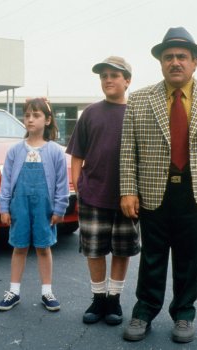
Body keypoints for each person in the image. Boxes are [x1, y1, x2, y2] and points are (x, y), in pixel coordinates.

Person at [120, 27, 197, 343]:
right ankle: (144, 311)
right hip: (153, 189)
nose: (175, 62)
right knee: (152, 256)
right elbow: (128, 149)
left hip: (195, 190)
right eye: (169, 57)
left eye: (182, 57)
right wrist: (128, 189)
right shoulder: (140, 99)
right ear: (160, 62)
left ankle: (184, 314)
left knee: (190, 257)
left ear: (194, 62)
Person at [66, 56, 140, 326]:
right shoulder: (90, 113)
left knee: (121, 250)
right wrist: (79, 187)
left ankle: (114, 299)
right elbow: (76, 155)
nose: (108, 79)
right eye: (103, 76)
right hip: (93, 194)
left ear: (127, 81)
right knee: (94, 251)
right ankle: (98, 298)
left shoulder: (136, 113)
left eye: (114, 75)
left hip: (126, 197)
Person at [0, 97, 69, 313]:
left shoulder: (55, 151)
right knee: (19, 247)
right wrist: (4, 207)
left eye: (36, 115)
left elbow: (62, 184)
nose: (30, 119)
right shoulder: (15, 151)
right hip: (20, 206)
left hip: (44, 208)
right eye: (27, 115)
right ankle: (13, 291)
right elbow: (7, 182)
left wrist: (59, 208)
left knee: (43, 248)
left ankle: (47, 291)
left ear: (47, 120)